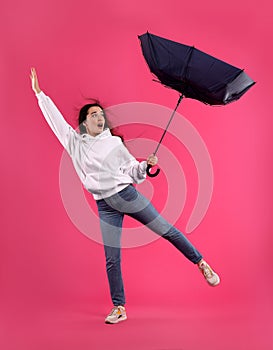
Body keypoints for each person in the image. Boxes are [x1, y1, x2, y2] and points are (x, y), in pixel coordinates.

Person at [30, 68, 220, 324]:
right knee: (112, 259)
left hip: (127, 195)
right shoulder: (75, 143)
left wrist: (145, 165)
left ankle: (201, 263)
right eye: (93, 115)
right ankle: (119, 307)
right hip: (104, 206)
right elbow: (57, 122)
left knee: (166, 229)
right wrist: (40, 95)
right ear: (85, 122)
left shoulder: (114, 144)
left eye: (101, 114)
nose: (99, 117)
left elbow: (132, 171)